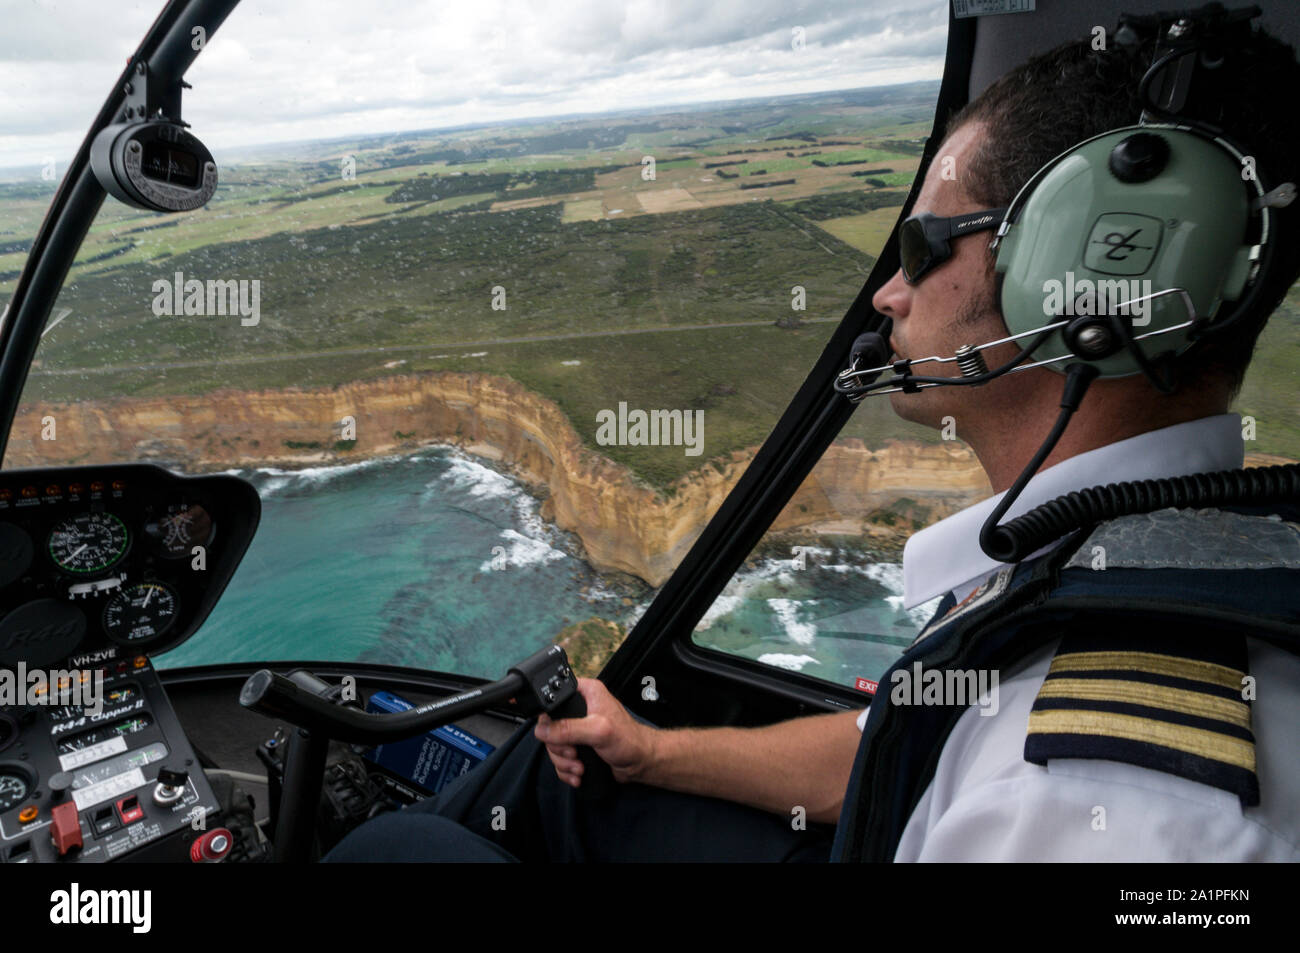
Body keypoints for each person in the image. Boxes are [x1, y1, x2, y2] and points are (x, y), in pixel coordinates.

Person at [326, 24, 1300, 863]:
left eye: (922, 247)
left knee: (390, 850)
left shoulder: (1094, 795)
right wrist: (649, 749)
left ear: (1072, 281)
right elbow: (903, 743)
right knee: (558, 773)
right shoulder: (1150, 546)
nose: (887, 293)